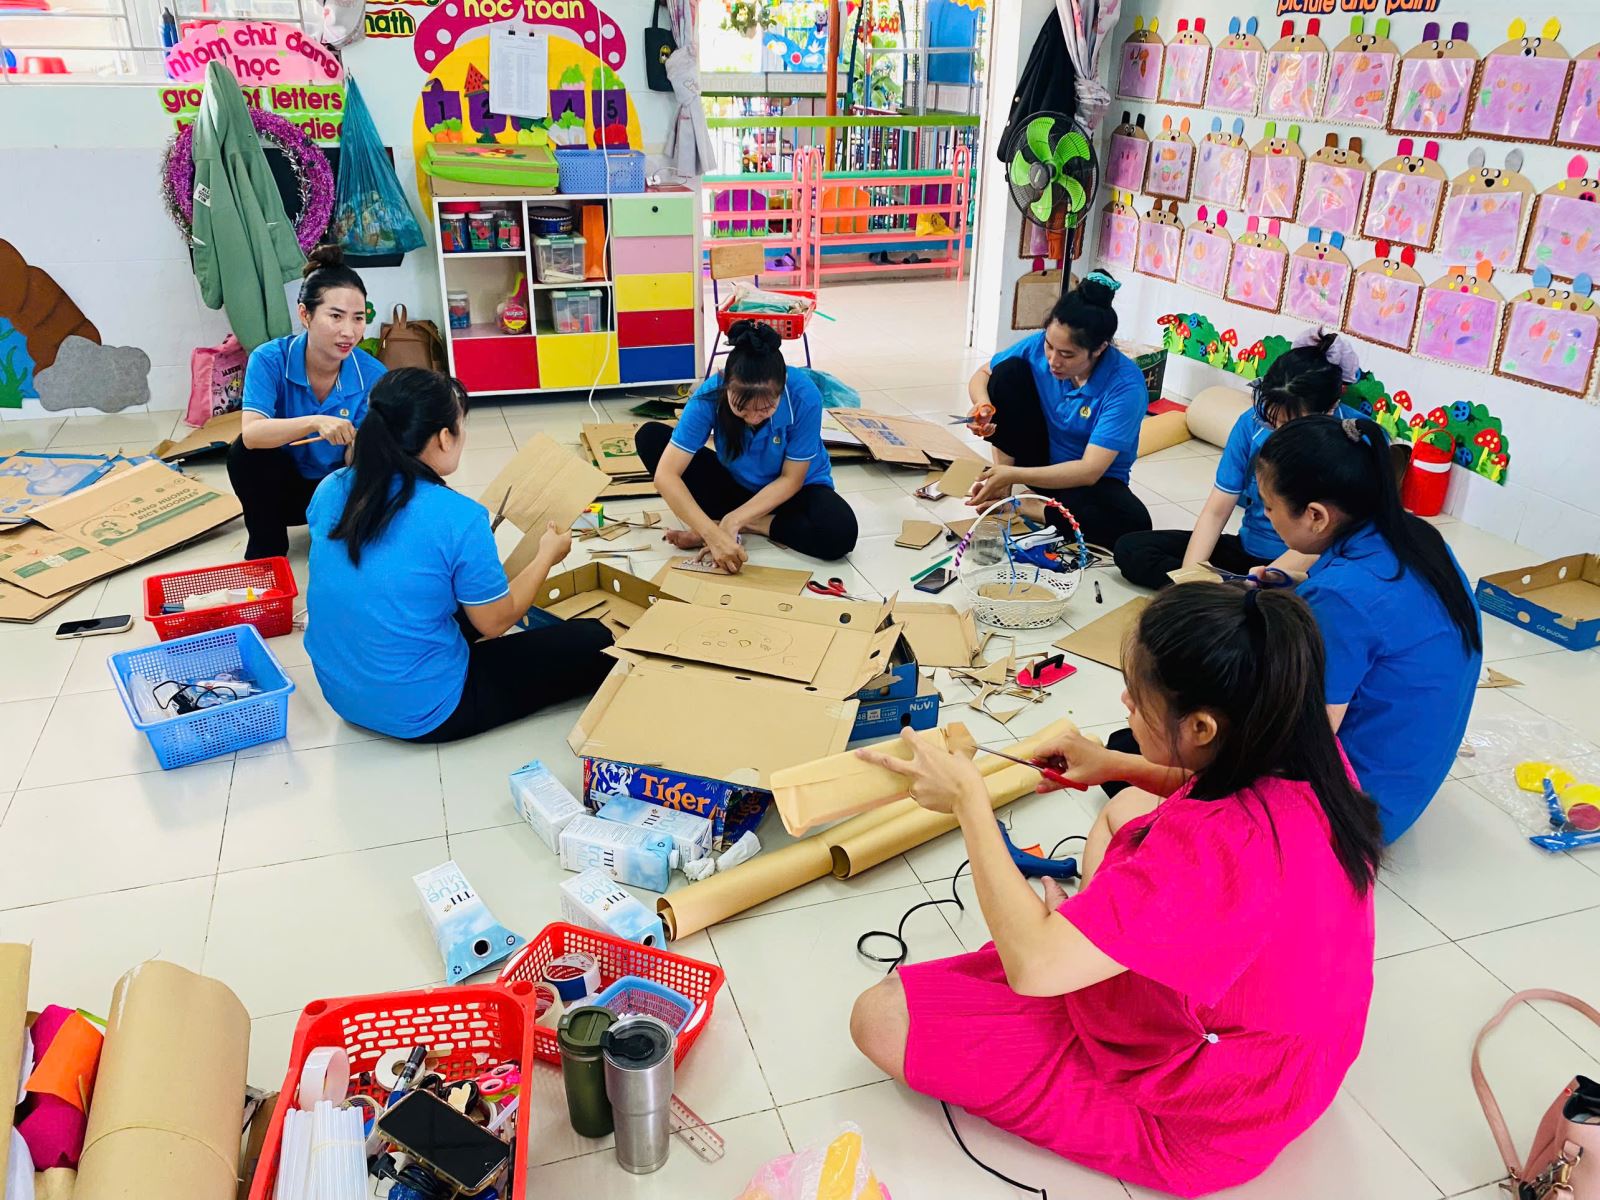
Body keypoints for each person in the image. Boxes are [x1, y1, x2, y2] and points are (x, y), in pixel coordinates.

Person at [849, 584, 1381, 1198]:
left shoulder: (1213, 853)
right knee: (1126, 806)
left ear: (1201, 727)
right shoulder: (1303, 747)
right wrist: (1116, 764)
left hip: (1213, 1119)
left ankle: (1077, 955)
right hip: (1295, 1063)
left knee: (880, 1018)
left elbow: (1034, 970)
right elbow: (1210, 798)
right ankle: (1080, 938)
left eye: (1139, 695)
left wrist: (969, 802)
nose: (1126, 701)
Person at [304, 368, 613, 743]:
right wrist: (546, 556)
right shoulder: (458, 516)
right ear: (443, 437)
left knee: (445, 602)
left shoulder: (331, 488)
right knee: (596, 638)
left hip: (343, 693)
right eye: (461, 425)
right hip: (428, 710)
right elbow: (495, 623)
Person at [1256, 414, 1482, 841]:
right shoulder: (1415, 537)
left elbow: (1307, 738)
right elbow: (1379, 610)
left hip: (1355, 813)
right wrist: (1297, 586)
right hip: (1407, 785)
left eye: (1269, 506)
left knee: (1144, 751)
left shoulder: (1340, 598)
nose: (1267, 517)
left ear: (1316, 516)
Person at [1113, 329, 1364, 590]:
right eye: (1272, 421)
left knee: (1314, 593)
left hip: (1308, 564)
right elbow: (1216, 510)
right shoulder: (1251, 424)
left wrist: (1262, 581)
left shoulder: (1351, 442)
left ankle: (1235, 597)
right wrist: (1190, 580)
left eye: (1290, 425)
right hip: (1249, 553)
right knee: (1133, 549)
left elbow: (1327, 542)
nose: (1278, 434)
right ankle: (1226, 595)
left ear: (1329, 409)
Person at [635, 322, 858, 572]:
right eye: (741, 408)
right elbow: (666, 475)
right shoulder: (709, 396)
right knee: (650, 437)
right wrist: (712, 536)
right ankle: (726, 524)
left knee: (840, 532)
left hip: (793, 492)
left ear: (781, 390)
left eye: (765, 409)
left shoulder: (804, 397)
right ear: (726, 385)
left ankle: (751, 523)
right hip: (736, 487)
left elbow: (791, 479)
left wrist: (733, 521)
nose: (752, 418)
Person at [964, 271, 1151, 548]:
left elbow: (1089, 470)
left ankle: (1027, 505)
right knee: (1007, 373)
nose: (1053, 361)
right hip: (1038, 460)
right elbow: (983, 374)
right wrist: (983, 405)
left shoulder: (1125, 386)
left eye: (1067, 355)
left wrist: (1015, 475)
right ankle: (1004, 490)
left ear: (1099, 348)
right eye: (1050, 347)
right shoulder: (1039, 346)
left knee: (1132, 524)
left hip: (1085, 483)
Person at [230, 246, 386, 560]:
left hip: (337, 490)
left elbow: (361, 462)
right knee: (244, 454)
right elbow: (252, 434)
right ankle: (267, 553)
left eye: (358, 318)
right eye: (335, 316)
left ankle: (346, 538)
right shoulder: (270, 359)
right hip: (283, 492)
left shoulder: (374, 375)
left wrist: (359, 444)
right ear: (305, 315)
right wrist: (315, 422)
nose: (349, 332)